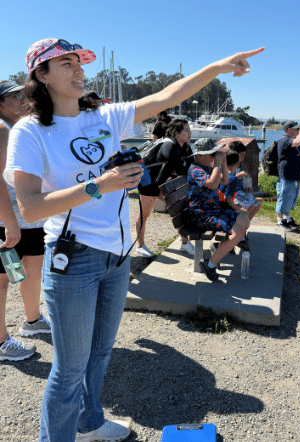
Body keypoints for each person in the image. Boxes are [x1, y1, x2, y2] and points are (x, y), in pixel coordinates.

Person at [6, 38, 262, 442]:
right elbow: (32, 208)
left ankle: (89, 423)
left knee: (100, 354)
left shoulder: (105, 116)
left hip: (117, 256)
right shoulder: (30, 131)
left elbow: (166, 95)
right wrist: (98, 186)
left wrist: (216, 67)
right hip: (73, 258)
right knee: (69, 370)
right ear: (41, 75)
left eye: (80, 63)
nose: (79, 70)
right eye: (67, 63)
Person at [0, 81, 50, 362]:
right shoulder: (1, 130)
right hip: (9, 222)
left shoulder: (20, 129)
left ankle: (32, 321)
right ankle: (1, 343)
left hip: (29, 218)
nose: (22, 99)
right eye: (14, 96)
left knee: (32, 268)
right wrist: (10, 224)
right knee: (2, 281)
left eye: (22, 94)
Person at [186, 139, 250, 281]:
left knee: (244, 220)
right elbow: (214, 185)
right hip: (201, 216)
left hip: (213, 211)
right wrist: (216, 163)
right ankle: (210, 265)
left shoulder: (207, 167)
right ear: (201, 155)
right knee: (237, 231)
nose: (214, 155)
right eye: (212, 153)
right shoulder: (195, 169)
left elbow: (224, 181)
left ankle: (224, 249)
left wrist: (223, 163)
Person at [135, 118, 195, 257]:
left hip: (165, 183)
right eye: (186, 130)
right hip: (149, 182)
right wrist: (179, 169)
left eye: (189, 129)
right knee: (144, 215)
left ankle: (185, 243)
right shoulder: (169, 146)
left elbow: (190, 168)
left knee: (180, 210)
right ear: (177, 133)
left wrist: (180, 169)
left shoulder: (186, 147)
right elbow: (180, 169)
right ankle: (140, 245)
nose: (189, 133)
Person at [275, 120, 300, 231]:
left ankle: (287, 218)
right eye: (296, 129)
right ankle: (280, 221)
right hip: (286, 175)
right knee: (283, 197)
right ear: (289, 130)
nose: (297, 131)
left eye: (298, 129)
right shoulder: (284, 140)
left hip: (294, 175)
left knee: (290, 198)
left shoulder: (293, 140)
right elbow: (299, 141)